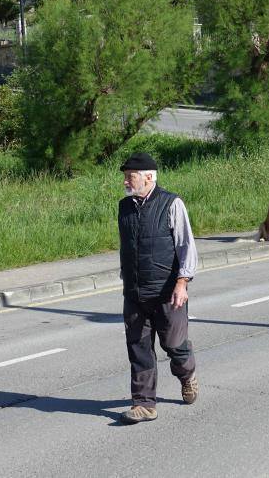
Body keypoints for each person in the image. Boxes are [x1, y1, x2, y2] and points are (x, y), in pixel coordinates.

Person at [118, 152, 199, 424]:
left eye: (131, 176)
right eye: (126, 176)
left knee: (174, 345)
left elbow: (186, 246)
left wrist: (182, 283)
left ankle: (186, 374)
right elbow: (127, 248)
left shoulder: (172, 203)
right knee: (138, 348)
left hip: (168, 293)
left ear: (149, 177)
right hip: (135, 293)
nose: (126, 181)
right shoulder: (124, 207)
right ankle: (144, 404)